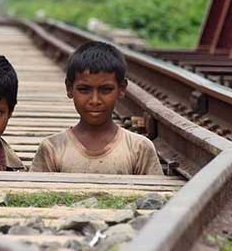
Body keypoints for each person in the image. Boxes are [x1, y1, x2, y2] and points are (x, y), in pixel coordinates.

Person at [30, 42, 163, 175]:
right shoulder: (52, 148)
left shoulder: (139, 148)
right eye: (84, 90)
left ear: (121, 89)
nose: (95, 100)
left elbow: (156, 195)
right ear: (69, 88)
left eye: (106, 90)